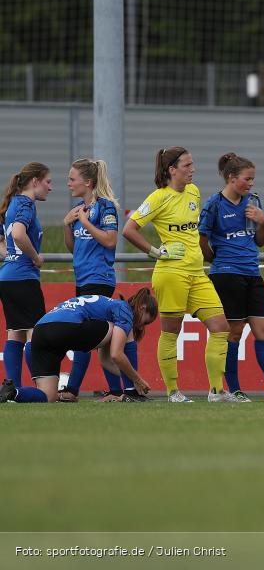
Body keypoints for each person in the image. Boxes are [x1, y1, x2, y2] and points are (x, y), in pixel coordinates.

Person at [122, 147, 236, 403]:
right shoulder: (159, 197)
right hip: (171, 273)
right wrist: (156, 251)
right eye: (187, 165)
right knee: (172, 331)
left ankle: (217, 392)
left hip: (197, 273)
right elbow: (129, 229)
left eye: (192, 164)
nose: (192, 170)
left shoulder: (194, 192)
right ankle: (173, 392)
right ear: (172, 170)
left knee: (220, 328)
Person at [199, 153, 264, 402]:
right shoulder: (214, 204)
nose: (251, 183)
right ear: (232, 178)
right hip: (227, 275)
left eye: (253, 179)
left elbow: (261, 242)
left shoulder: (253, 201)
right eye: (248, 179)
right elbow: (202, 240)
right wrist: (218, 262)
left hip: (252, 273)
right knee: (234, 333)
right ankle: (234, 389)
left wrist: (262, 222)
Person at [57, 158, 141, 402]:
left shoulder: (105, 207)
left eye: (72, 179)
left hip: (100, 279)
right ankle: (121, 390)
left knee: (87, 335)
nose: (69, 183)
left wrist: (84, 222)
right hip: (83, 278)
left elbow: (110, 241)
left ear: (88, 182)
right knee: (100, 336)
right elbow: (75, 249)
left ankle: (76, 389)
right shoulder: (79, 209)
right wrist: (66, 225)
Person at [0, 290, 156, 403]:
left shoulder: (108, 306)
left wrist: (132, 376)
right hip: (66, 327)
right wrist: (137, 379)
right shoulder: (124, 309)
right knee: (124, 330)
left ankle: (13, 392)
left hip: (40, 331)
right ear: (142, 308)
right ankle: (132, 393)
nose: (142, 328)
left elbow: (106, 361)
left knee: (48, 396)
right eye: (146, 322)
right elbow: (116, 354)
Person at [0, 162, 52, 390]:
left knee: (16, 334)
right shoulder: (25, 204)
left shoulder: (12, 203)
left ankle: (12, 387)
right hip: (23, 278)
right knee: (35, 334)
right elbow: (19, 234)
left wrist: (11, 255)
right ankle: (43, 388)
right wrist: (35, 257)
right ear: (35, 182)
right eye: (48, 182)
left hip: (8, 278)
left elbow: (8, 241)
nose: (50, 188)